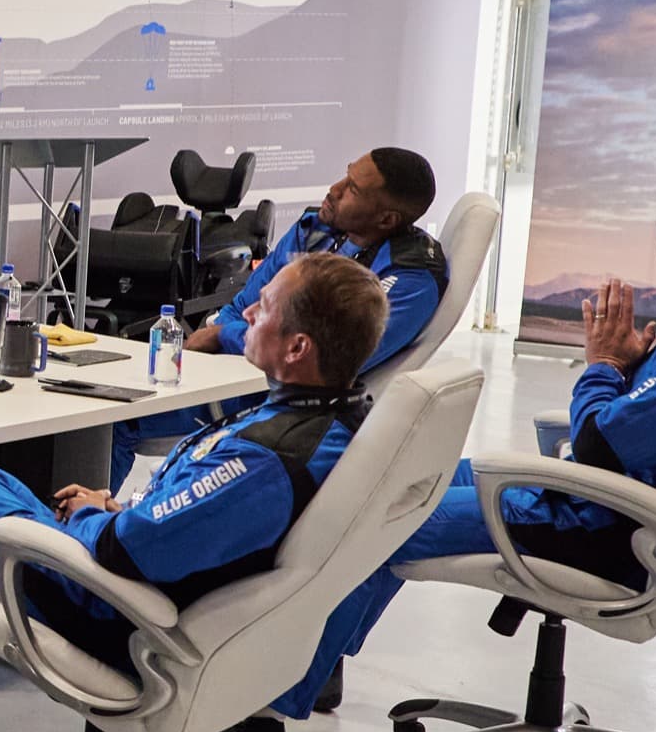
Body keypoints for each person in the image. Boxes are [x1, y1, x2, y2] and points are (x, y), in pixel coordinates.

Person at [306, 157, 656, 723]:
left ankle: (265, 719)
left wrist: (605, 365)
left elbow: (600, 440)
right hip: (605, 501)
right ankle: (313, 668)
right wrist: (628, 372)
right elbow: (639, 419)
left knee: (371, 520)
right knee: (389, 480)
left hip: (602, 525)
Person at [0, 252, 393, 732]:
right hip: (147, 583)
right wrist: (114, 507)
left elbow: (125, 552)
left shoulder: (266, 460)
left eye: (261, 311)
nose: (246, 319)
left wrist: (89, 519)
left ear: (297, 347)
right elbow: (191, 523)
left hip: (113, 610)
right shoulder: (333, 420)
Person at [112, 145, 446, 487]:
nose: (334, 189)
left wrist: (222, 337)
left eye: (353, 189)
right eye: (346, 174)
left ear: (387, 219)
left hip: (277, 397)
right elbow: (243, 306)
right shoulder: (315, 229)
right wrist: (224, 337)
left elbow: (329, 356)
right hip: (231, 367)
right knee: (106, 391)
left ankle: (71, 531)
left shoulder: (410, 279)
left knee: (112, 420)